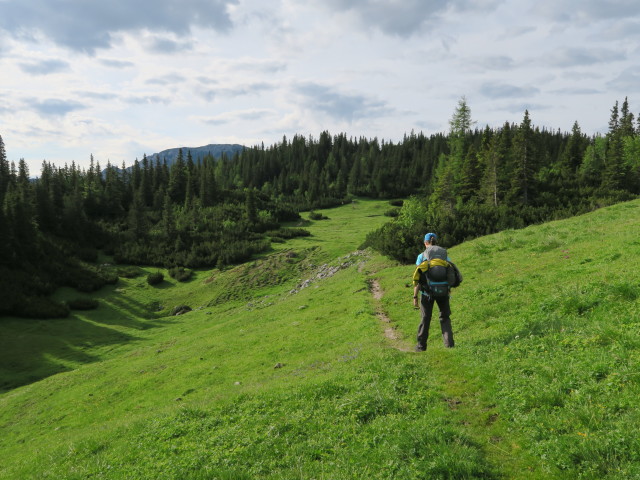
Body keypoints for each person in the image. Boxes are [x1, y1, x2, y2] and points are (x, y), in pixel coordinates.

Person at [412, 232, 454, 352]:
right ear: (436, 241)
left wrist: (415, 297)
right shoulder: (444, 256)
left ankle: (421, 347)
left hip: (426, 293)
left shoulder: (421, 256)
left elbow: (418, 278)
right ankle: (449, 345)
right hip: (444, 292)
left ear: (425, 243)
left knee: (425, 318)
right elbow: (450, 272)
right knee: (445, 317)